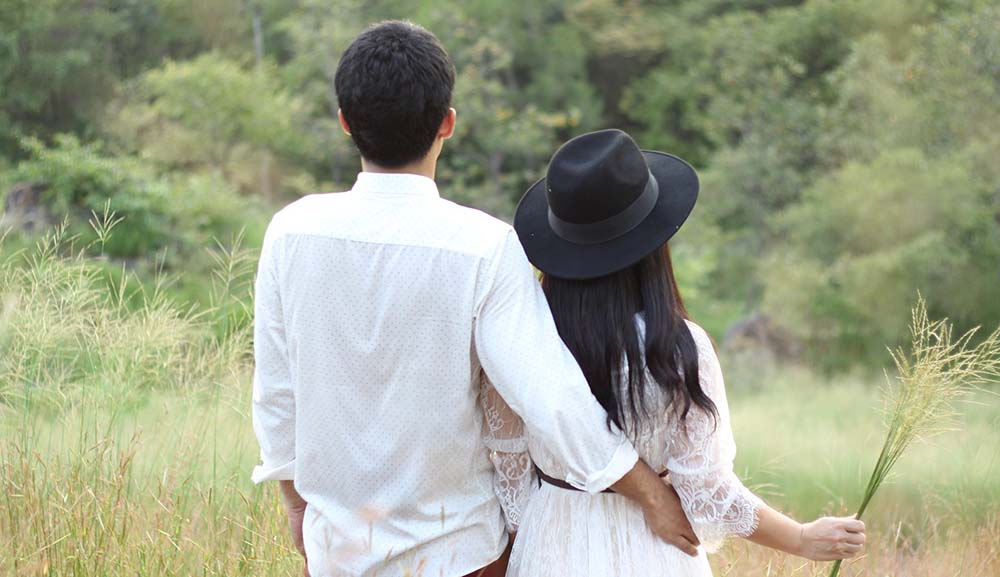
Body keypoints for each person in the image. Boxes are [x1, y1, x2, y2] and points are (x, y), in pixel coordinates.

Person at [250, 21, 698, 577]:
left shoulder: (291, 231)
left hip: (337, 552)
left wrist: (295, 501)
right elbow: (550, 398)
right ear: (447, 123)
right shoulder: (483, 247)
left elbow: (276, 391)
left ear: (344, 122)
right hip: (461, 555)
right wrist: (649, 493)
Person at [491, 129, 867, 576]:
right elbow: (707, 490)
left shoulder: (523, 340)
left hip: (552, 544)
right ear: (652, 245)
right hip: (653, 549)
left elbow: (508, 470)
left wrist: (534, 534)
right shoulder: (675, 347)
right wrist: (801, 537)